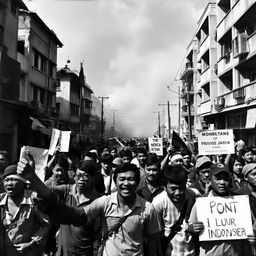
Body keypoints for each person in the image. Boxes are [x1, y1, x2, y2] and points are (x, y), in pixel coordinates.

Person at [17, 155, 162, 256]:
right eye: (122, 179)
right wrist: (33, 178)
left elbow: (153, 245)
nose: (126, 183)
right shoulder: (104, 202)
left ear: (138, 182)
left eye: (130, 179)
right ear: (115, 181)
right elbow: (77, 216)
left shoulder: (148, 208)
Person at [189, 163, 255, 256]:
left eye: (225, 178)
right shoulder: (202, 202)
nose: (222, 182)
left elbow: (253, 225)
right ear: (210, 180)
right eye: (218, 178)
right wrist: (192, 229)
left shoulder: (240, 201)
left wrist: (253, 234)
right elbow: (190, 226)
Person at [49, 160, 102, 256]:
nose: (81, 179)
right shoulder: (66, 191)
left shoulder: (99, 200)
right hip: (63, 252)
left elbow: (98, 233)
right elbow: (49, 191)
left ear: (93, 178)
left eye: (85, 176)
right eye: (78, 176)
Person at [0, 165, 50, 256]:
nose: (9, 183)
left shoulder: (33, 201)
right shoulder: (1, 200)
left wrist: (31, 243)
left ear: (23, 183)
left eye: (14, 179)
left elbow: (46, 225)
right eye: (6, 180)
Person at [152, 165, 197, 256]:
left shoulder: (193, 195)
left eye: (181, 188)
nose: (178, 193)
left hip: (191, 252)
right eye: (173, 189)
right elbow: (155, 234)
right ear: (165, 187)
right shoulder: (158, 202)